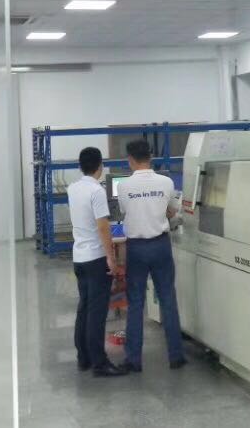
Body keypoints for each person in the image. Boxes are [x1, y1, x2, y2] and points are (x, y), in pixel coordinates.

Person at [117, 139, 186, 373]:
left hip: (136, 248)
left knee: (136, 303)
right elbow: (172, 210)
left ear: (130, 159)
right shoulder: (166, 182)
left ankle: (133, 360)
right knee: (167, 299)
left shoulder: (124, 186)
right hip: (160, 246)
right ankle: (176, 356)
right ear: (151, 157)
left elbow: (125, 211)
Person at [67, 147, 127, 377]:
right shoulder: (96, 191)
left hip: (79, 257)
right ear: (100, 166)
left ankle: (83, 357)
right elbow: (103, 227)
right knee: (97, 313)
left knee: (84, 308)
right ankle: (99, 363)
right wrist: (111, 258)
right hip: (95, 258)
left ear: (80, 166)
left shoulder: (73, 188)